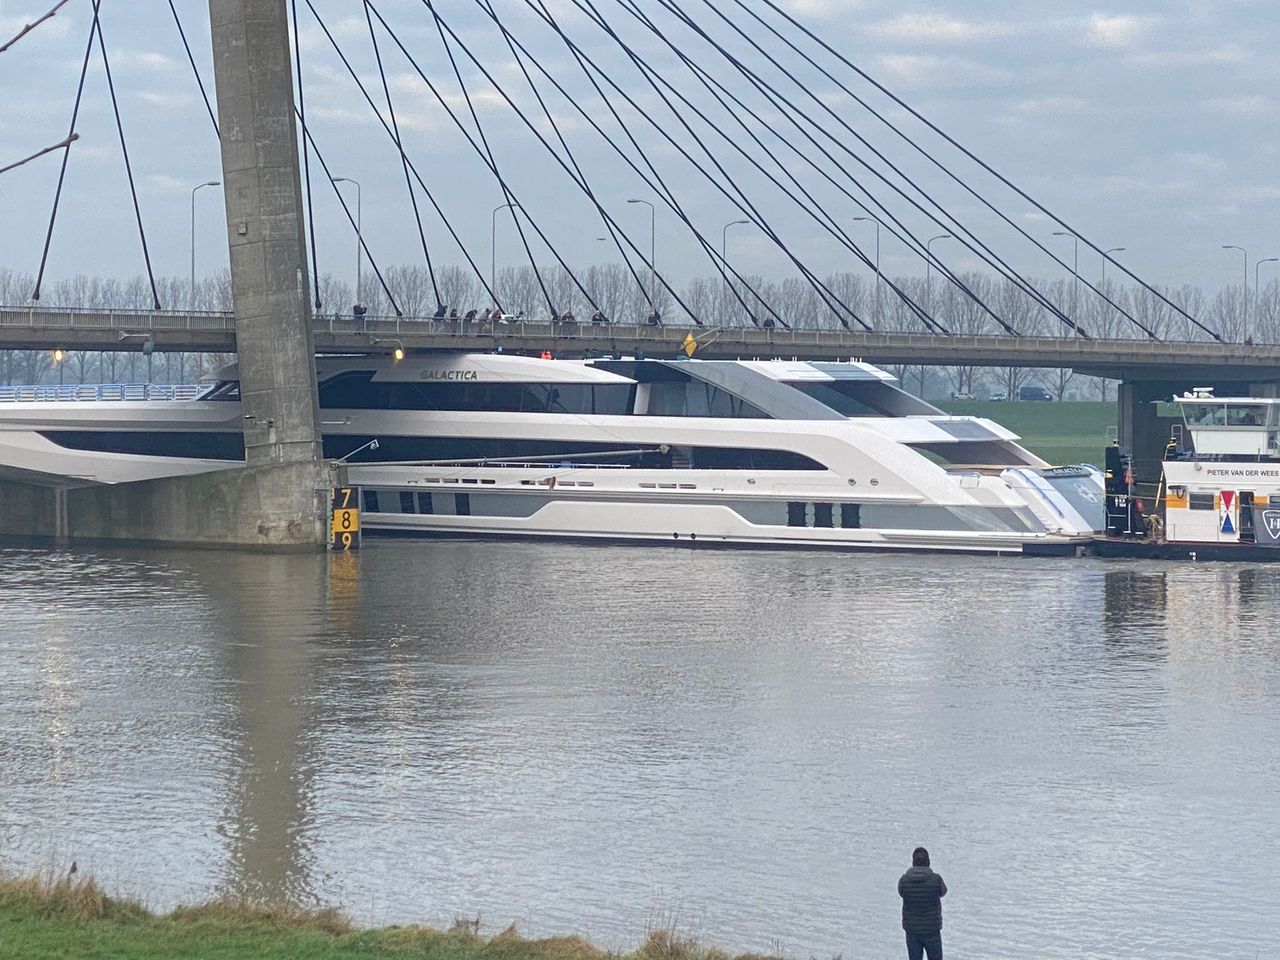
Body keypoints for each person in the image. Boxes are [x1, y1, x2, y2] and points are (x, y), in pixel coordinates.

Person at [898, 847, 947, 960]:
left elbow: (901, 892)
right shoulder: (936, 879)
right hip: (932, 929)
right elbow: (943, 892)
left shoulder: (904, 880)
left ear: (913, 862)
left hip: (912, 930)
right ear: (928, 862)